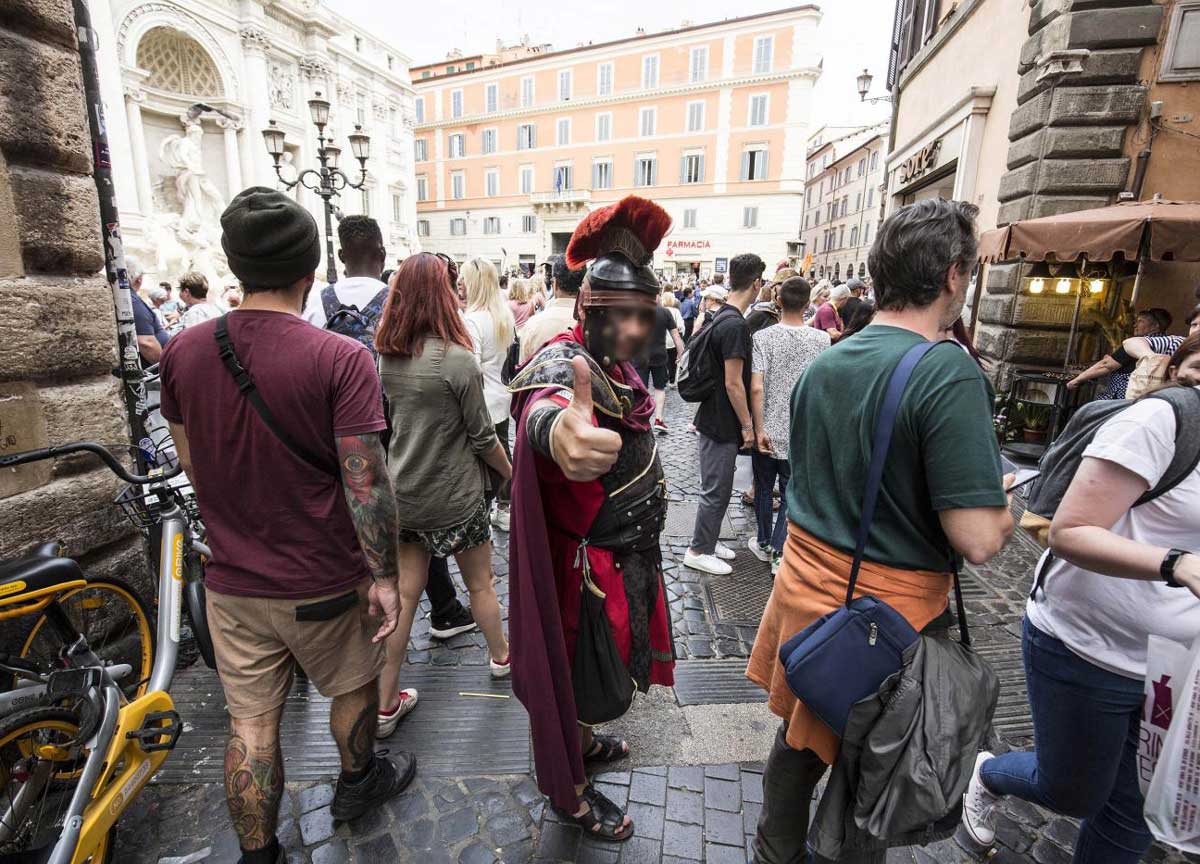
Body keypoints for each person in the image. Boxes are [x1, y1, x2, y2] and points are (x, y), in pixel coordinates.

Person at [747, 198, 1015, 864]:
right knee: (879, 761)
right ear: (954, 276)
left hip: (806, 595)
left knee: (801, 732)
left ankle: (772, 851)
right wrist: (1003, 506)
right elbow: (978, 538)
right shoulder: (945, 370)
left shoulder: (826, 365)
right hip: (885, 612)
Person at [159, 188, 415, 864]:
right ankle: (358, 781)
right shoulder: (340, 358)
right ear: (311, 272)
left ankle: (259, 852)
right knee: (355, 686)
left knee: (250, 722)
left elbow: (194, 465)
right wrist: (385, 576)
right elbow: (366, 479)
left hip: (234, 583)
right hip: (323, 579)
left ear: (234, 266)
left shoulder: (183, 353)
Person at [961, 333, 1200, 863]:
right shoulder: (1161, 422)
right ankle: (989, 773)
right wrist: (1175, 563)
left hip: (1176, 662)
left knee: (1134, 807)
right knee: (1072, 789)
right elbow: (1066, 531)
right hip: (1089, 644)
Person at [508, 195, 675, 842]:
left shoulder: (617, 363)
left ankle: (584, 744)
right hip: (586, 571)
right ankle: (571, 795)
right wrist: (557, 434)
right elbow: (547, 409)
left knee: (599, 677)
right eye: (617, 315)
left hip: (626, 556)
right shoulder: (563, 362)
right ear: (584, 309)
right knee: (580, 674)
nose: (633, 330)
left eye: (643, 315)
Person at [304, 217, 477, 715]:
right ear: (381, 253)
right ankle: (439, 611)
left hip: (338, 437)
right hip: (391, 440)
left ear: (340, 252)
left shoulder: (319, 301)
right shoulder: (396, 305)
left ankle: (381, 661)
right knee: (406, 541)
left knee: (381, 546)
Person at [373, 253, 513, 733]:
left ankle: (385, 702)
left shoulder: (386, 355)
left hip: (406, 491)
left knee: (405, 597)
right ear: (445, 293)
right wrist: (511, 474)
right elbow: (482, 437)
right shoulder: (457, 360)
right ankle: (500, 659)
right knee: (480, 585)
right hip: (457, 496)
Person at [683, 253, 764, 576]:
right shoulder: (734, 325)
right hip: (721, 420)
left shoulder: (722, 316)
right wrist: (748, 426)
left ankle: (710, 539)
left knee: (720, 484)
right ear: (756, 283)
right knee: (716, 488)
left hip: (714, 416)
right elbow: (734, 383)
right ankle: (698, 549)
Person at [749, 277, 830, 572]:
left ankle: (763, 541)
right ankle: (779, 550)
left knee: (762, 487)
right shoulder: (822, 340)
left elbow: (756, 387)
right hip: (800, 430)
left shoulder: (763, 338)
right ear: (808, 304)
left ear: (778, 301)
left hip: (768, 427)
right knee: (789, 492)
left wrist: (758, 429)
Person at [461, 257, 517, 532]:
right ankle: (504, 508)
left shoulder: (472, 320)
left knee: (479, 459)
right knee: (503, 451)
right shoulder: (503, 315)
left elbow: (471, 367)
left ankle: (481, 512)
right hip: (502, 395)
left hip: (481, 399)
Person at [1067, 307, 1181, 398]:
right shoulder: (1172, 343)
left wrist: (1077, 380)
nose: (1135, 325)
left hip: (1124, 396)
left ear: (1155, 326)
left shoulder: (1139, 343)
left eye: (1141, 321)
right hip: (1153, 397)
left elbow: (1106, 365)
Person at [520, 254, 585, 362]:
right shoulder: (594, 327)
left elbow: (522, 372)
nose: (547, 273)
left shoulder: (532, 326)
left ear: (555, 284)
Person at [635, 293, 684, 435]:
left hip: (640, 356)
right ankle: (659, 419)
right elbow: (676, 336)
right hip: (659, 356)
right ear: (657, 296)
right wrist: (680, 353)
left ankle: (642, 420)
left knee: (641, 390)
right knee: (659, 388)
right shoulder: (665, 312)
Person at [126, 255, 169, 365]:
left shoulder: (129, 298)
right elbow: (146, 343)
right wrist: (166, 368)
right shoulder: (132, 301)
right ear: (139, 279)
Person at [662, 292, 685, 385]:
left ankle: (664, 378)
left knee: (664, 361)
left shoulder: (660, 311)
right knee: (673, 362)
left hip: (662, 340)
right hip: (673, 340)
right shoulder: (676, 311)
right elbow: (680, 326)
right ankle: (672, 381)